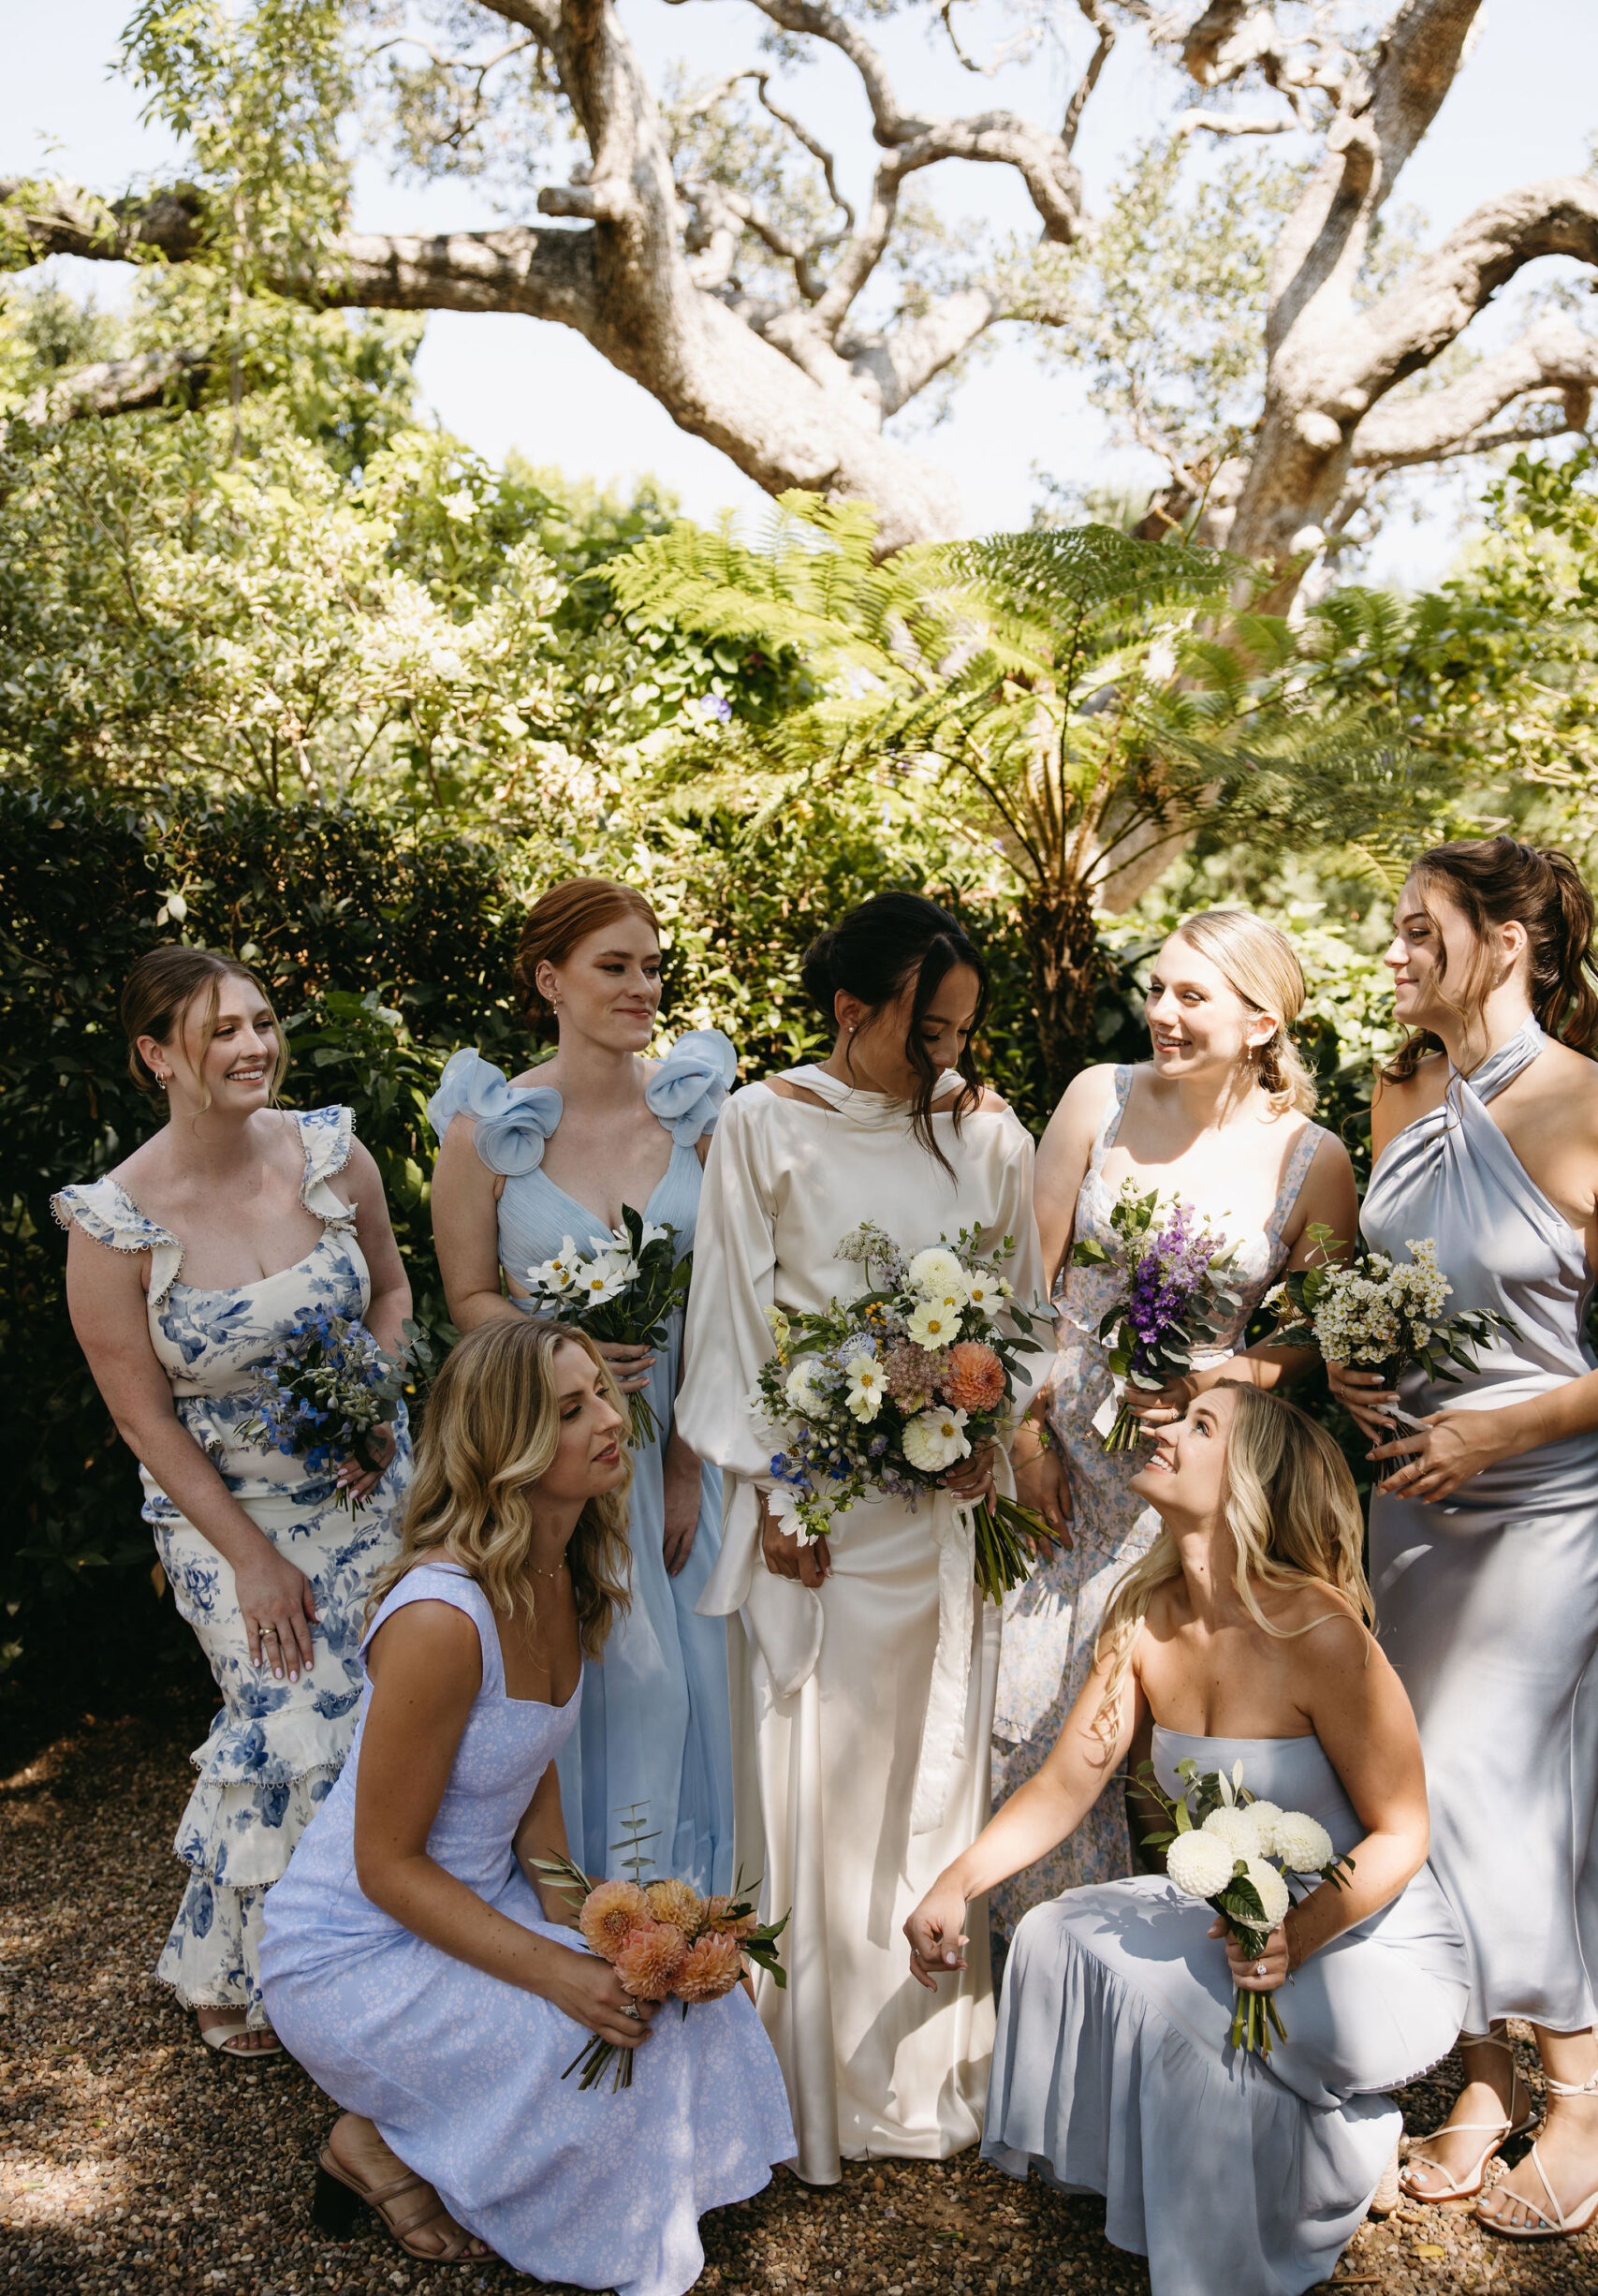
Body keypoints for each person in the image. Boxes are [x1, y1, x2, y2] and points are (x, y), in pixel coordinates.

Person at [258, 1317, 794, 2287]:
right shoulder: (437, 1618)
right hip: (356, 1949)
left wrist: (594, 1916)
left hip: (469, 1905)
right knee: (592, 2030)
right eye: (570, 1408)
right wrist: (556, 1975)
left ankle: (439, 2141)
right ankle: (393, 2142)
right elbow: (386, 1865)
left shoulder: (560, 1570)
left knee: (674, 1991)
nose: (610, 1419)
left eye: (602, 1392)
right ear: (505, 1447)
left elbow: (527, 1757)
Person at [904, 1384, 1470, 2296]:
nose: (1164, 1429)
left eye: (1200, 1425)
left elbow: (1405, 1830)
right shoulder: (1144, 1618)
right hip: (1235, 1923)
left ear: (1252, 1478)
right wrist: (954, 1881)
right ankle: (1271, 2149)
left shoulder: (1322, 1631)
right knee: (1054, 1934)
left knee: (1179, 2013)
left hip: (1368, 1942)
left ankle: (1332, 2157)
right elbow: (1064, 1784)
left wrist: (1298, 1936)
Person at [677, 892, 1050, 2186]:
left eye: (960, 1034)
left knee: (931, 1770)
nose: (946, 1057)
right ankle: (807, 2093)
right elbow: (725, 1325)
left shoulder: (983, 1134)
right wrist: (776, 1494)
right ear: (850, 1010)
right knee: (817, 1791)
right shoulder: (760, 1125)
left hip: (943, 1520)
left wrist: (987, 1413)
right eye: (925, 1032)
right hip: (817, 1521)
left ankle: (917, 2077)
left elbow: (1021, 1310)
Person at [53, 947, 411, 2060]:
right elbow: (142, 1419)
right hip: (222, 1508)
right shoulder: (113, 1225)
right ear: (158, 1054)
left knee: (397, 1715)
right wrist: (252, 1558)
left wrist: (380, 1400)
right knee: (291, 1714)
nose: (255, 1046)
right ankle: (245, 1962)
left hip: (365, 1489)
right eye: (222, 1031)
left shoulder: (328, 1152)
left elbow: (393, 1294)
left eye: (262, 1021)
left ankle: (380, 1950)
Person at [990, 910, 1357, 1942]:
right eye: (1157, 988)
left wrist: (1233, 1369)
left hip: (1190, 1499)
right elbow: (1020, 1288)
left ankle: (1188, 2004)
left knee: (1172, 1770)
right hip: (1053, 1479)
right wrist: (1024, 1441)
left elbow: (1328, 1338)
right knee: (1031, 1736)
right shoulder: (1094, 1099)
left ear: (1260, 1021)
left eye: (1191, 996)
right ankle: (1041, 2001)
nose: (1159, 1012)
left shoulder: (1311, 1159)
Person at [1329, 837, 1598, 2242]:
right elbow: (1391, 1289)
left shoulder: (1582, 1105)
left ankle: (1583, 2096)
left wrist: (1501, 1429)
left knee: (1493, 1782)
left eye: (1416, 931)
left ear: (1505, 944)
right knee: (1420, 1787)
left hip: (1540, 1506)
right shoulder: (1397, 1094)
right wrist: (1351, 1362)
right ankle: (1483, 2085)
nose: (1391, 955)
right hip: (1407, 1507)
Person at [428, 877, 736, 1894]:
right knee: (595, 1689)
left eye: (652, 966)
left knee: (700, 1688)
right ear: (549, 979)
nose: (642, 986)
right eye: (615, 966)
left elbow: (732, 1306)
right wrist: (566, 1347)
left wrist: (687, 1462)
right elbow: (468, 1295)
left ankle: (693, 1934)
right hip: (550, 1465)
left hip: (682, 1460)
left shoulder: (701, 1121)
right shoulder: (487, 1132)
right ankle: (588, 1930)